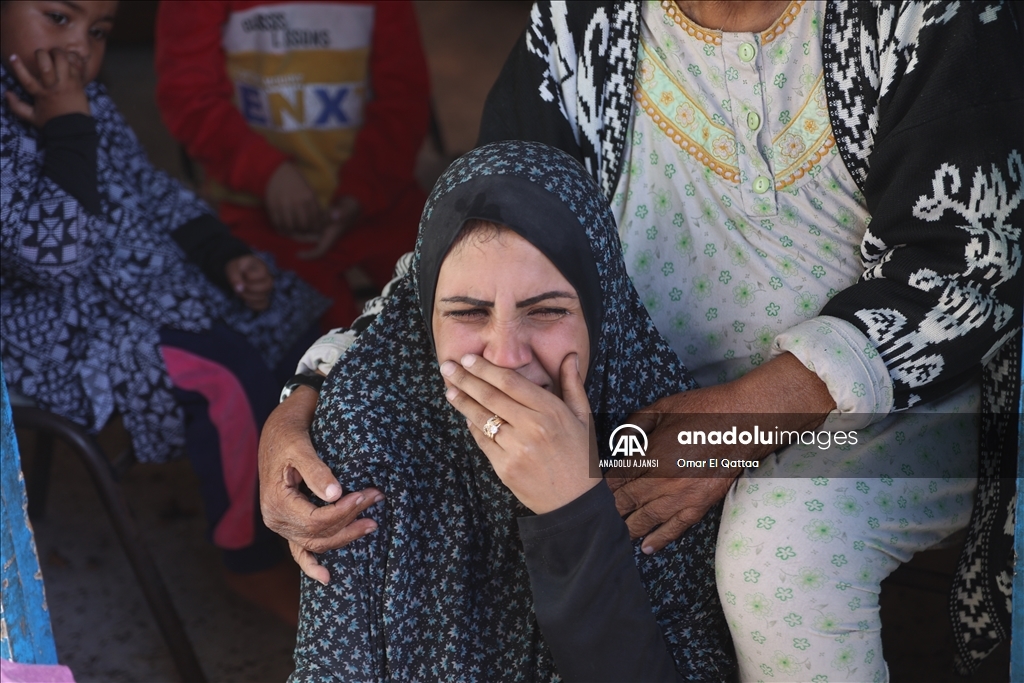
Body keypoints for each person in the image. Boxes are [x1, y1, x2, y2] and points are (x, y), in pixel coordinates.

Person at [262, 0, 1024, 678]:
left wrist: (741, 420)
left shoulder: (927, 16)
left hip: (886, 411)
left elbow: (975, 262)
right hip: (643, 409)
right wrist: (310, 389)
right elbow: (482, 232)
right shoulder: (578, 24)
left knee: (782, 554)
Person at [290, 140, 734, 681]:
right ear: (424, 314)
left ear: (601, 310)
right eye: (467, 312)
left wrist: (574, 511)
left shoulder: (666, 445)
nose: (506, 356)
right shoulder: (369, 423)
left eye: (547, 311)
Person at [0, 0, 329, 623]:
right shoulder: (52, 109)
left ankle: (308, 507)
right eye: (57, 18)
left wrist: (221, 255)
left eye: (96, 32)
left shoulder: (85, 97)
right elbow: (53, 258)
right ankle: (251, 559)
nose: (77, 48)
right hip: (58, 340)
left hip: (140, 291)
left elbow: (153, 192)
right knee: (227, 378)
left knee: (295, 327)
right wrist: (66, 123)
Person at [154, 0, 430, 329]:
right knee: (310, 348)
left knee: (449, 298)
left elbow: (404, 98)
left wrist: (362, 190)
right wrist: (268, 175)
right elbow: (188, 97)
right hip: (258, 212)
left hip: (382, 197)